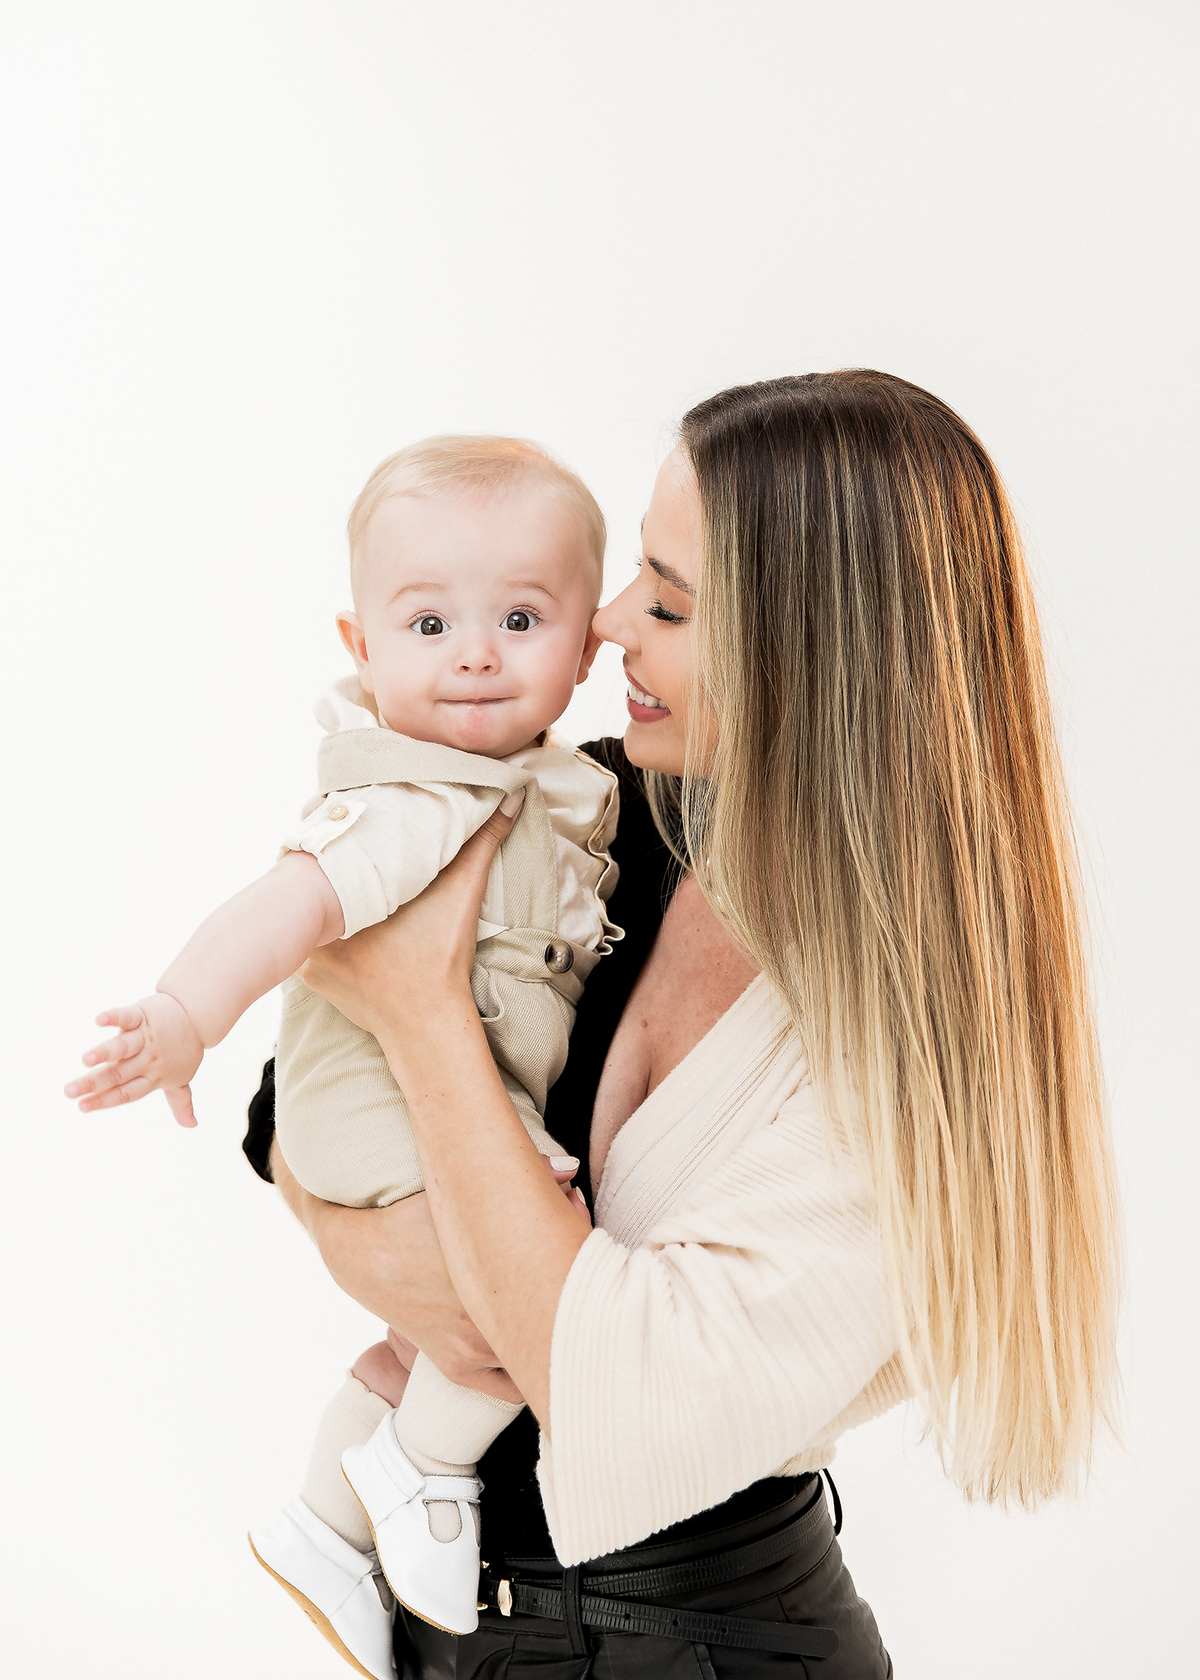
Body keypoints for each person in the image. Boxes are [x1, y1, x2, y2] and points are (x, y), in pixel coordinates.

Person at [246, 370, 1120, 1680]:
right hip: (459, 1627)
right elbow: (296, 1087)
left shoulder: (908, 1048)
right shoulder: (605, 811)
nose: (602, 625)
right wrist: (423, 1253)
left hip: (702, 1646)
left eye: (666, 602)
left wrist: (425, 1020)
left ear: (805, 662)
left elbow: (620, 1402)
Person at [65, 436, 623, 1674]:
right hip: (376, 1107)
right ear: (360, 644)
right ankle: (422, 1472)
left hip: (418, 1105)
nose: (475, 654)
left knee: (420, 1342)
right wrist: (185, 1014)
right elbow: (290, 904)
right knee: (516, 1290)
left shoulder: (552, 786)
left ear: (588, 646)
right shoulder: (419, 798)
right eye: (428, 624)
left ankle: (323, 1526)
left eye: (520, 619)